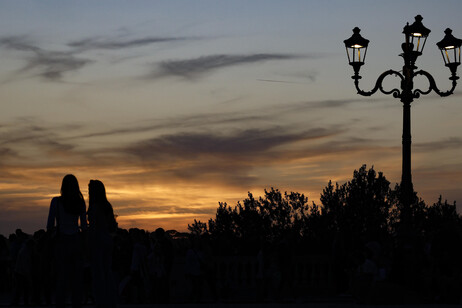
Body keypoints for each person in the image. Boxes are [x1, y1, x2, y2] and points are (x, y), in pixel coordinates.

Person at [47, 174, 87, 308]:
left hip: (61, 241)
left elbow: (49, 225)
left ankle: (60, 304)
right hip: (76, 239)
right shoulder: (80, 202)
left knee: (62, 277)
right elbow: (84, 227)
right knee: (77, 279)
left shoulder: (56, 201)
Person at [87, 180, 117, 308]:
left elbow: (93, 227)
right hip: (107, 240)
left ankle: (101, 301)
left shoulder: (94, 207)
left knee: (98, 272)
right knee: (107, 271)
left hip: (97, 240)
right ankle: (109, 299)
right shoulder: (107, 205)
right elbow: (112, 226)